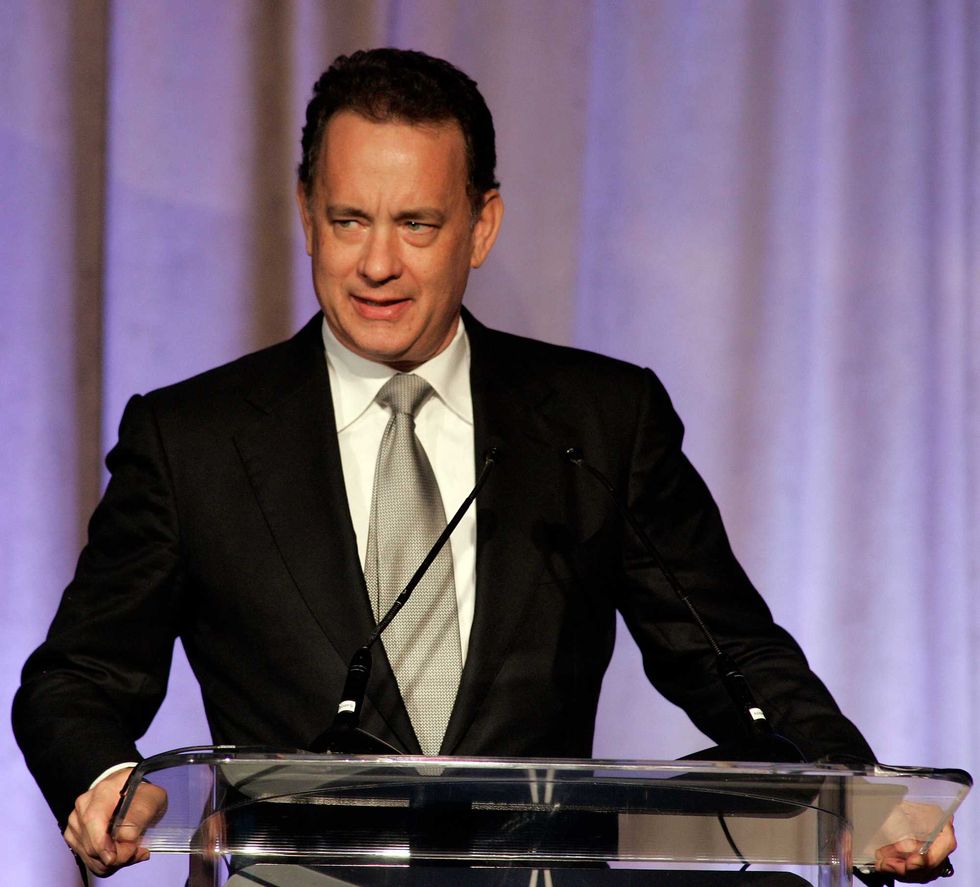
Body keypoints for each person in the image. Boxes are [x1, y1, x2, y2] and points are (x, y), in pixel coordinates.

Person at [13, 48, 955, 882]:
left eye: (417, 224)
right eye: (349, 220)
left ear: (482, 224)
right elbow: (76, 677)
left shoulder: (595, 422)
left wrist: (863, 797)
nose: (377, 263)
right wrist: (105, 779)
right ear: (306, 215)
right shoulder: (193, 440)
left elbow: (730, 655)